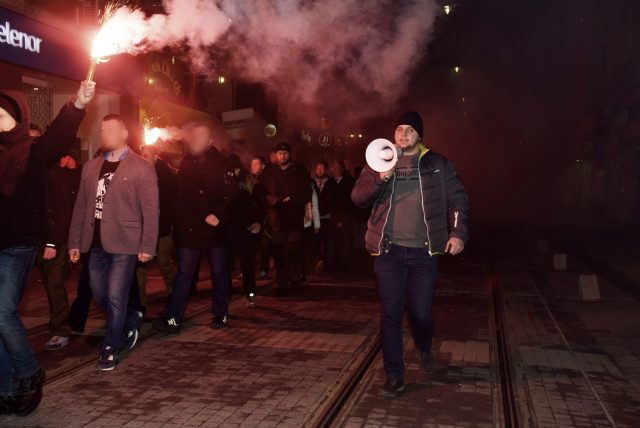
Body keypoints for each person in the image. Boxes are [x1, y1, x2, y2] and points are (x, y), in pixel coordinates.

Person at [352, 111, 470, 398]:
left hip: (423, 254)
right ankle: (395, 376)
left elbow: (458, 200)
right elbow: (357, 198)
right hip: (389, 252)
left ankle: (425, 344)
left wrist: (457, 233)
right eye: (399, 129)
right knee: (390, 315)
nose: (403, 134)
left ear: (420, 135)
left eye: (409, 130)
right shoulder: (379, 160)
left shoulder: (438, 164)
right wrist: (381, 178)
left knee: (420, 313)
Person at [0, 81, 95, 415]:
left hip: (18, 246)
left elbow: (58, 136)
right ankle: (6, 388)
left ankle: (29, 373)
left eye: (0, 113)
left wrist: (77, 105)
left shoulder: (33, 151)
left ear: (16, 116)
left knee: (2, 311)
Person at [68, 114, 159, 371]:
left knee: (117, 294)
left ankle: (110, 347)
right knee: (100, 293)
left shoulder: (141, 167)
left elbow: (151, 211)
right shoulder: (90, 167)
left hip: (125, 243)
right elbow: (81, 206)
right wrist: (74, 241)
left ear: (123, 134)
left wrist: (147, 246)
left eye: (109, 129)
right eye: (102, 129)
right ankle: (131, 316)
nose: (103, 133)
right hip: (95, 243)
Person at [152, 123, 232, 333]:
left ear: (210, 142)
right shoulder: (186, 161)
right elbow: (180, 195)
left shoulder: (222, 163)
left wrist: (219, 214)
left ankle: (220, 313)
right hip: (190, 229)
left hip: (214, 231)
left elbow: (231, 195)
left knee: (219, 273)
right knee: (184, 274)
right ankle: (173, 317)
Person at [40, 151, 81, 351]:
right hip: (33, 239)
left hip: (55, 241)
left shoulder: (56, 175)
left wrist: (52, 243)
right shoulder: (39, 172)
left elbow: (62, 211)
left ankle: (60, 330)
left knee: (54, 283)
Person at [263, 142, 312, 296]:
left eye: (285, 153)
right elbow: (263, 192)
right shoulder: (269, 172)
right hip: (276, 218)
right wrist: (275, 201)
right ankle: (282, 283)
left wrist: (293, 199)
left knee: (293, 250)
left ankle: (296, 280)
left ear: (289, 154)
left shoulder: (299, 170)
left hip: (294, 216)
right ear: (275, 155)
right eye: (279, 153)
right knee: (278, 252)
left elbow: (306, 192)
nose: (282, 156)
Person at [137, 143, 178, 309]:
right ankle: (140, 303)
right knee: (140, 266)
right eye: (142, 155)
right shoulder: (139, 172)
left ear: (155, 155)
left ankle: (175, 294)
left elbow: (170, 202)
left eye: (147, 155)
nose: (144, 158)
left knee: (164, 261)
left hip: (163, 227)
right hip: (144, 228)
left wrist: (167, 222)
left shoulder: (166, 174)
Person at [226, 155, 268, 307]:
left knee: (247, 264)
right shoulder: (225, 183)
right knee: (226, 265)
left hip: (246, 229)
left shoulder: (251, 183)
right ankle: (226, 294)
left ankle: (250, 293)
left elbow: (262, 205)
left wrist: (258, 222)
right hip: (229, 230)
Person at [327, 161, 356, 269]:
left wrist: (345, 215)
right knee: (332, 238)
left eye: (337, 168)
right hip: (333, 213)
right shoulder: (330, 183)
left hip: (346, 213)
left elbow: (351, 199)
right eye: (333, 168)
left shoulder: (349, 182)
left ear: (342, 169)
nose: (335, 170)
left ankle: (345, 262)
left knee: (345, 239)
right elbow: (326, 198)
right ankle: (332, 262)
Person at [250, 157, 272, 279]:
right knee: (252, 246)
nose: (253, 166)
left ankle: (264, 268)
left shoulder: (266, 180)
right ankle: (249, 270)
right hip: (251, 217)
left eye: (256, 164)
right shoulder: (248, 180)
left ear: (263, 166)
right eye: (252, 164)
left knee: (265, 245)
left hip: (264, 218)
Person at [312, 161, 333, 273]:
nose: (319, 170)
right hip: (313, 216)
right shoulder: (311, 182)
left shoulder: (330, 183)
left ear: (325, 170)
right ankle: (317, 261)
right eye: (318, 168)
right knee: (315, 240)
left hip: (325, 216)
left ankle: (322, 261)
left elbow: (331, 200)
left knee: (323, 239)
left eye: (322, 168)